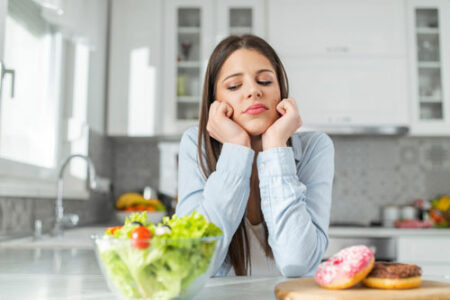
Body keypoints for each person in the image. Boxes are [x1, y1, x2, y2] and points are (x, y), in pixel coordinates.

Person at [176, 35, 334, 277]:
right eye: (234, 86)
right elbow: (191, 263)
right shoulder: (194, 145)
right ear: (215, 102)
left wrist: (276, 147)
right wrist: (237, 149)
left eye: (264, 81)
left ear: (280, 91)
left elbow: (298, 262)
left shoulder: (316, 147)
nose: (253, 91)